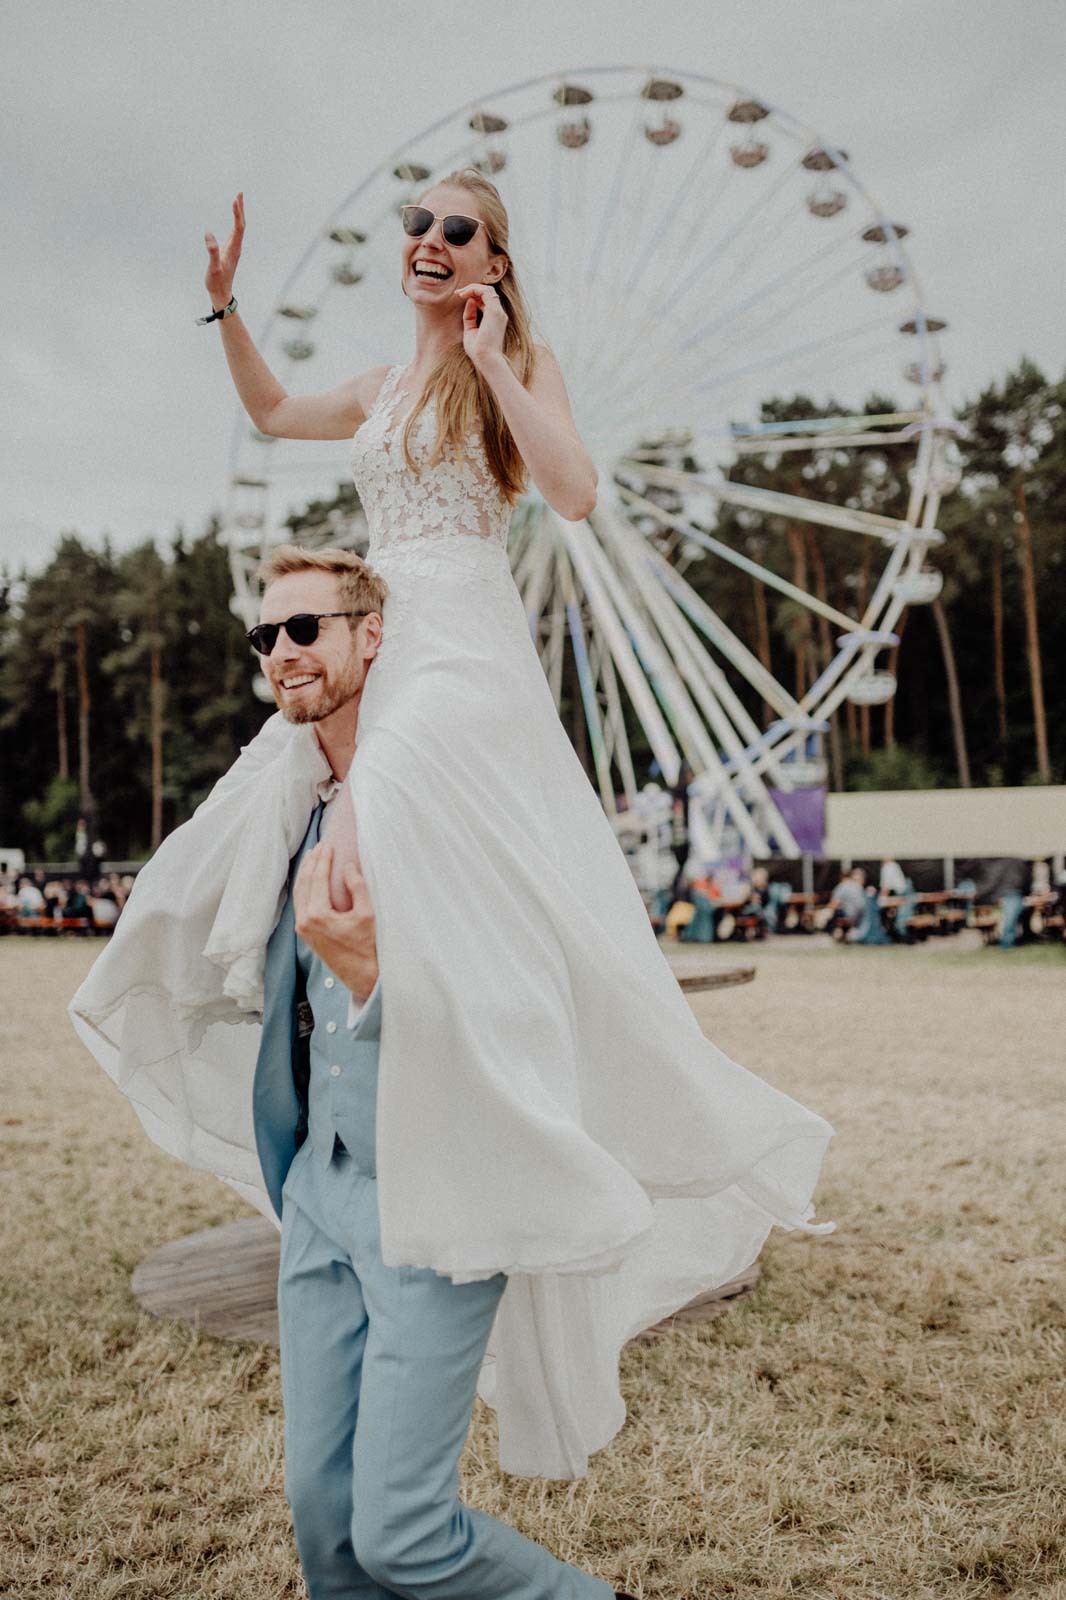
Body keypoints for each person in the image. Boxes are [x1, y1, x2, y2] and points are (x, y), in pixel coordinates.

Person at [70, 171, 835, 1600]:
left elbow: (576, 490)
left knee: (382, 787)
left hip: (460, 636)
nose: (428, 242)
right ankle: (217, 965)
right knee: (265, 793)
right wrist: (228, 301)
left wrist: (492, 359)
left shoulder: (507, 363)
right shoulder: (370, 380)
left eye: (458, 230)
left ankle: (392, 995)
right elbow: (271, 413)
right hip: (386, 626)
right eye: (417, 226)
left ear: (492, 259)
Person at [826, 867, 868, 937]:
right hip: (861, 917)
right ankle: (845, 932)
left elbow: (834, 904)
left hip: (849, 916)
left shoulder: (843, 886)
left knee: (828, 913)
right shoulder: (859, 887)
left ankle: (834, 932)